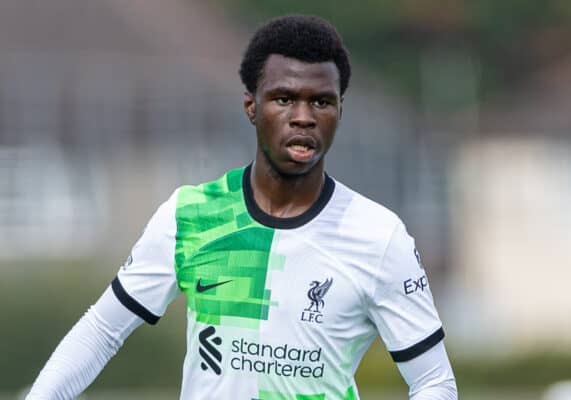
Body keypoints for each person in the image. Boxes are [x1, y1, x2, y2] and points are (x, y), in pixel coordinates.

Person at [27, 15, 457, 400]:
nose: (303, 116)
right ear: (252, 106)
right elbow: (101, 331)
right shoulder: (191, 216)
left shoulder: (377, 236)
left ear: (339, 111)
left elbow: (435, 382)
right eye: (284, 99)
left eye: (321, 101)